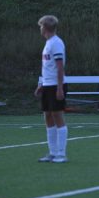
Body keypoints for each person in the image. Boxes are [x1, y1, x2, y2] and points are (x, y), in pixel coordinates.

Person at [34, 15, 68, 163]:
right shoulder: (48, 43)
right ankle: (52, 153)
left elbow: (60, 68)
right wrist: (42, 84)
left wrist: (59, 88)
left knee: (57, 117)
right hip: (48, 85)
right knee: (47, 117)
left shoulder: (56, 43)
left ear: (45, 28)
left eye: (41, 26)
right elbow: (48, 67)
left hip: (56, 85)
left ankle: (61, 154)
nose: (40, 29)